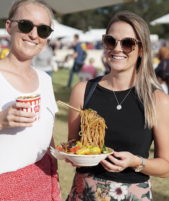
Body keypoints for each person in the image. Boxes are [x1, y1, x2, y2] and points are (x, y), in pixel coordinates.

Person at [66, 11, 169, 201]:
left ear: (142, 50)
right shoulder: (82, 91)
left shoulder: (157, 100)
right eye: (111, 41)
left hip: (132, 195)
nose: (117, 48)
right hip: (85, 193)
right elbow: (72, 145)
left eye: (128, 43)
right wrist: (73, 155)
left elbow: (166, 167)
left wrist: (136, 162)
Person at [0, 1, 61, 200]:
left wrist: (60, 163)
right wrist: (0, 121)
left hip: (43, 182)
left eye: (43, 30)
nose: (34, 35)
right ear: (9, 26)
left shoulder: (45, 79)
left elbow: (47, 136)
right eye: (26, 25)